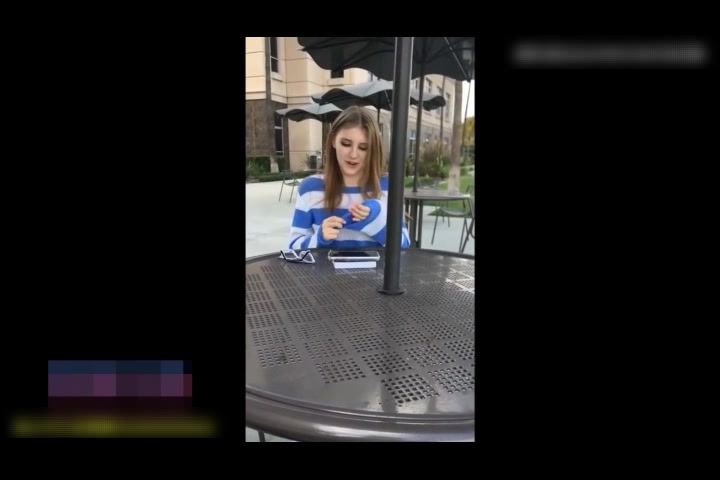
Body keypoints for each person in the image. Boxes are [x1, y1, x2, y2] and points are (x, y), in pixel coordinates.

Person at [289, 106, 411, 250]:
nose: (353, 154)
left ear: (372, 150)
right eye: (346, 144)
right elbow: (293, 247)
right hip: (324, 266)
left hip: (376, 266)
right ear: (333, 141)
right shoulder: (309, 188)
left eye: (363, 147)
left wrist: (376, 222)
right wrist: (319, 238)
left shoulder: (388, 186)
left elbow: (404, 245)